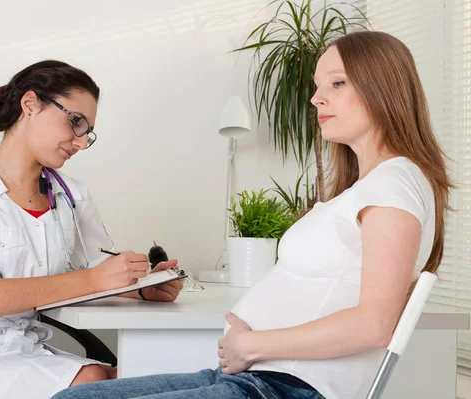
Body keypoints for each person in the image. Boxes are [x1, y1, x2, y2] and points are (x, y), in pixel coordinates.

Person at [50, 30, 454, 399]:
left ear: (384, 86)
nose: (316, 99)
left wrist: (253, 344)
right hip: (254, 378)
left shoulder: (395, 183)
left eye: (338, 82)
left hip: (287, 387)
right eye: (317, 86)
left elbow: (375, 324)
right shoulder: (364, 188)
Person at [0, 60, 184, 399]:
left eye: (87, 132)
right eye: (76, 122)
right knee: (96, 380)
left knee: (141, 377)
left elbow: (94, 273)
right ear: (30, 104)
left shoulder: (72, 196)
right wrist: (95, 279)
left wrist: (139, 289)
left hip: (28, 353)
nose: (81, 142)